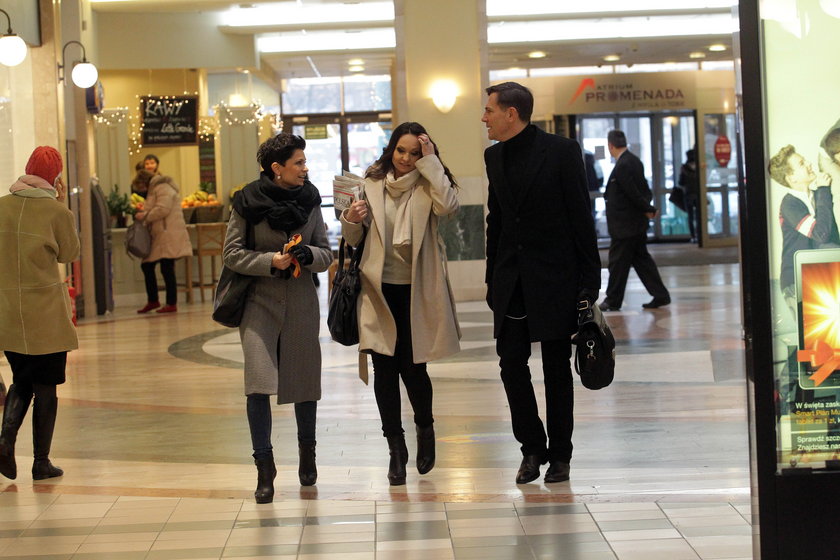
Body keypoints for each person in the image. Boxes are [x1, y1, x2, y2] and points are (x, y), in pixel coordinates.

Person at [482, 82, 601, 484]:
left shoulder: (562, 151)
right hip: (510, 281)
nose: (485, 118)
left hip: (556, 279)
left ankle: (561, 455)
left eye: (490, 110)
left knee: (556, 369)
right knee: (511, 365)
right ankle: (532, 447)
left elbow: (581, 218)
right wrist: (490, 280)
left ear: (511, 113)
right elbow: (495, 221)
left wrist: (590, 282)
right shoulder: (493, 157)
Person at [341, 122, 461, 486]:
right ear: (390, 149)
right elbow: (353, 237)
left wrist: (431, 163)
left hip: (416, 290)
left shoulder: (430, 182)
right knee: (384, 372)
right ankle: (395, 448)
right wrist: (351, 219)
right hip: (378, 290)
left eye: (413, 152)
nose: (406, 158)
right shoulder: (371, 182)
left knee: (414, 369)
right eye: (401, 151)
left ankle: (425, 428)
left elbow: (449, 207)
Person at [223, 133, 332, 503]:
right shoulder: (246, 202)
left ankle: (307, 455)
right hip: (258, 302)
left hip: (301, 300)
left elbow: (326, 252)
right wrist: (270, 260)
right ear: (277, 168)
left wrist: (307, 256)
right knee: (257, 382)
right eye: (298, 162)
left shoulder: (311, 199)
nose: (305, 168)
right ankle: (264, 469)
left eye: (305, 162)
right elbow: (232, 254)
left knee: (303, 380)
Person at [0, 146, 80, 481]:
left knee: (21, 379)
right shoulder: (56, 211)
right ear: (55, 177)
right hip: (45, 312)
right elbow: (70, 252)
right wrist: (61, 205)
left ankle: (5, 443)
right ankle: (41, 461)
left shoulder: (1, 206)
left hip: (7, 311)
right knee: (46, 385)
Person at [599, 130, 671, 311]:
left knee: (617, 262)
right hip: (633, 224)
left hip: (626, 225)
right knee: (641, 261)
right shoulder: (633, 161)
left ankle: (612, 300)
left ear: (610, 146)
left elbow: (633, 192)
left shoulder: (624, 164)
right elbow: (644, 190)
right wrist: (646, 208)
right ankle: (661, 295)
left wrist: (648, 209)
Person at [767, 144, 840, 316]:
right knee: (817, 336)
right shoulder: (790, 204)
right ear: (792, 178)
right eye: (801, 163)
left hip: (820, 274)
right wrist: (823, 190)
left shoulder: (815, 197)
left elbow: (832, 237)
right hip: (797, 281)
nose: (808, 163)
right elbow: (821, 234)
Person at [133, 170, 192, 314]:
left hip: (168, 234)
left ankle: (169, 303)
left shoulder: (162, 188)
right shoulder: (158, 188)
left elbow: (162, 209)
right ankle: (155, 300)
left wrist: (145, 216)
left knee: (165, 267)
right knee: (151, 266)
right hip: (162, 234)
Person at [678, 148, 701, 243]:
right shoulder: (699, 167)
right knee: (699, 216)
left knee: (690, 217)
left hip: (688, 194)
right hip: (698, 193)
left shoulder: (684, 168)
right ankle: (700, 235)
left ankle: (693, 236)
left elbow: (680, 182)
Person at [584, 149, 603, 221]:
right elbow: (599, 177)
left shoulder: (587, 166)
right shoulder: (592, 166)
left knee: (590, 209)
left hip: (590, 190)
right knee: (592, 209)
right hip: (593, 189)